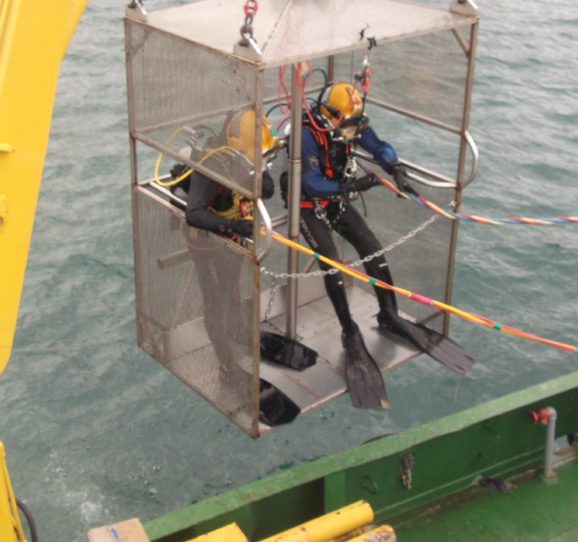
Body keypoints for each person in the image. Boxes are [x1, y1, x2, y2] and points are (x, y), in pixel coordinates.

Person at [294, 82, 474, 409]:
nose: (352, 133)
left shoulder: (350, 122)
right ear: (331, 117)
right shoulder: (307, 133)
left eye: (355, 126)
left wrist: (396, 170)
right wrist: (353, 186)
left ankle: (389, 313)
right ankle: (349, 331)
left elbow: (378, 146)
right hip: (308, 206)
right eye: (347, 126)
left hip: (336, 200)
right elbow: (310, 181)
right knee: (332, 262)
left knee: (371, 245)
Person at [178, 110, 301, 426]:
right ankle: (227, 365)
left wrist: (261, 169)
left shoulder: (246, 161)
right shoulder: (213, 165)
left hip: (232, 236)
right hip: (206, 242)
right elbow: (194, 213)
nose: (263, 162)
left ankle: (235, 330)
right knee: (215, 300)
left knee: (232, 289)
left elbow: (266, 189)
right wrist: (234, 226)